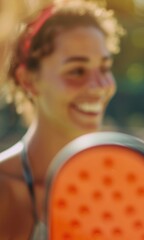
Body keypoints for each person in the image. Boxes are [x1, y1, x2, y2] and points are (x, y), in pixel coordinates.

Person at [0, 0, 124, 239]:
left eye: (105, 68)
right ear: (28, 80)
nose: (100, 86)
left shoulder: (120, 191)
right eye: (77, 71)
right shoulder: (3, 188)